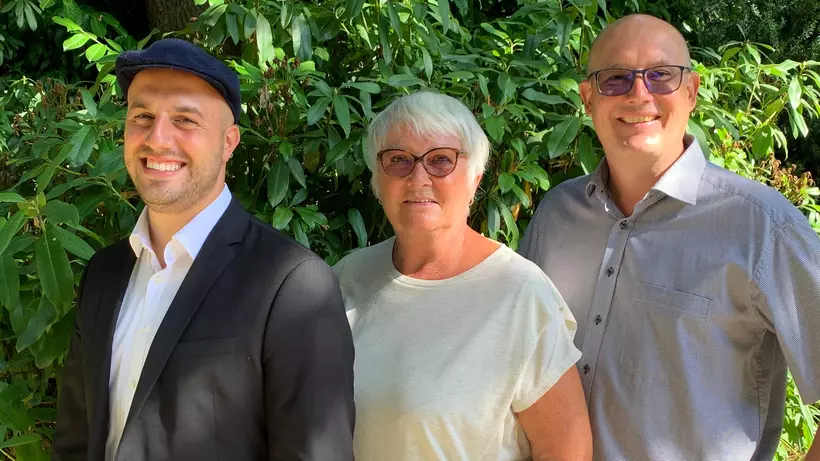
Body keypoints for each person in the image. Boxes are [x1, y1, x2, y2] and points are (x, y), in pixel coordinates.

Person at [519, 14, 820, 461]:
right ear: (588, 98)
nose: (639, 93)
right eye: (615, 77)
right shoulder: (556, 214)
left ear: (691, 92)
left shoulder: (761, 227)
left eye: (661, 75)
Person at [52, 38, 355, 461]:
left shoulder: (292, 285)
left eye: (184, 119)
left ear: (229, 142)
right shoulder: (103, 274)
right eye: (142, 116)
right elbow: (74, 442)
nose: (157, 138)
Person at [333, 91, 592, 461]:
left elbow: (567, 451)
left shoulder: (520, 293)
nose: (418, 177)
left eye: (441, 160)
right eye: (398, 160)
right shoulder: (346, 277)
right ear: (378, 179)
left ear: (475, 179)